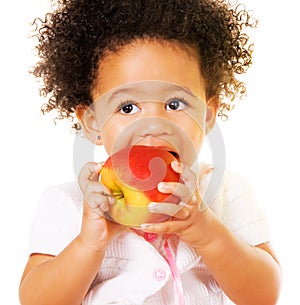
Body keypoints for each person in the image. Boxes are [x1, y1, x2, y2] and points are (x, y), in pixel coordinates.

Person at [19, 0, 282, 304]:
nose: (154, 125)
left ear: (208, 115)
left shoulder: (225, 192)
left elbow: (264, 295)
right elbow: (36, 299)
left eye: (175, 104)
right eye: (127, 107)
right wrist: (88, 244)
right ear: (93, 123)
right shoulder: (71, 203)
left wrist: (207, 232)